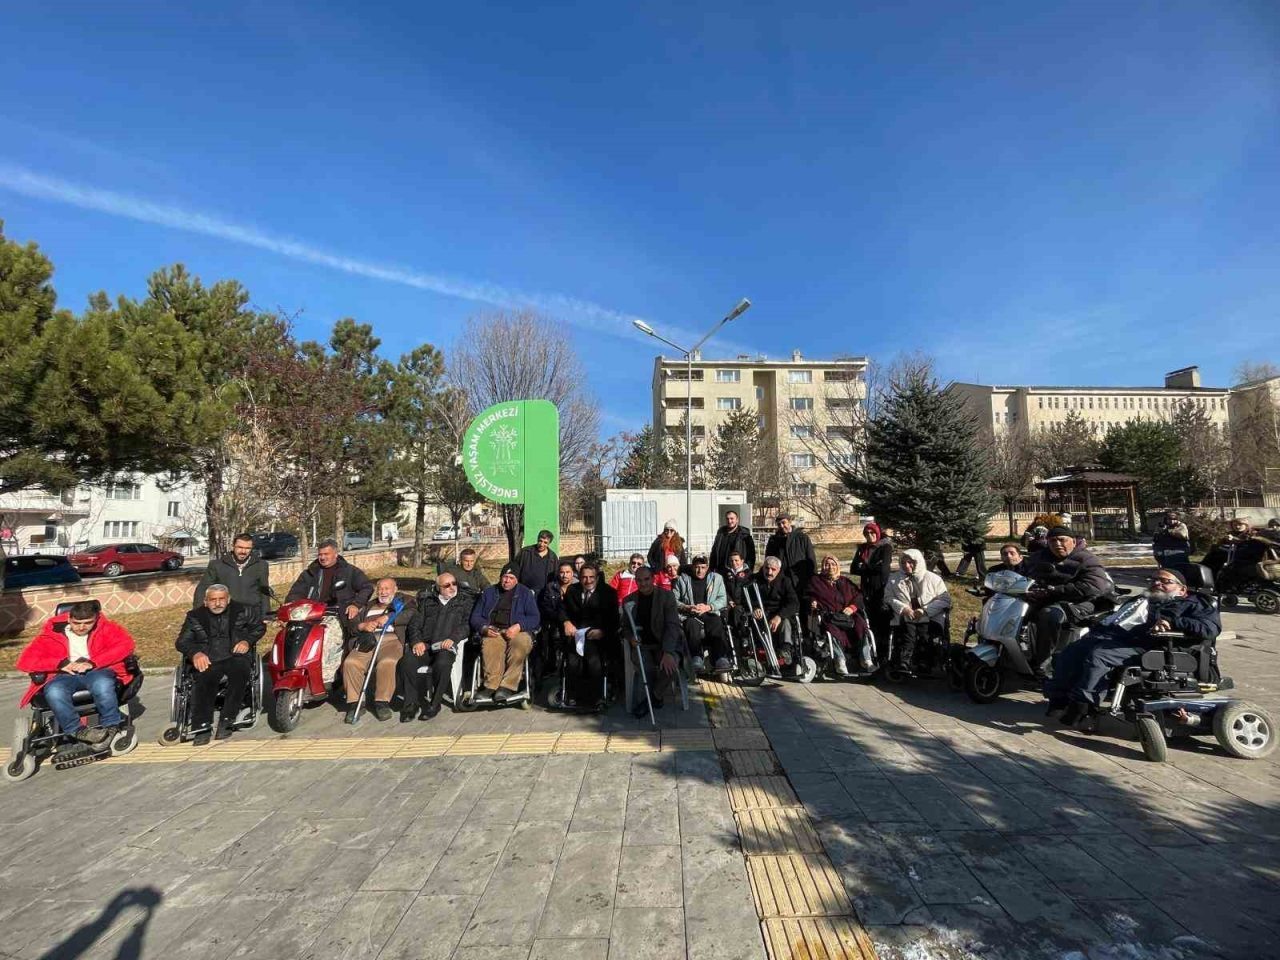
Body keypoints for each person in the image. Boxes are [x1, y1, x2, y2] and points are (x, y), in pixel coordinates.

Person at [1045, 568, 1220, 725]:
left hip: (1154, 646)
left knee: (1100, 655)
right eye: (1154, 580)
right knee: (1069, 652)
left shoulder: (1195, 603)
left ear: (1182, 589)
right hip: (1117, 638)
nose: (1157, 583)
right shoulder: (1142, 599)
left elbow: (1210, 629)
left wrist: (1173, 621)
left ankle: (1083, 706)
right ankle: (1060, 700)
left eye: (1165, 581)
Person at [17, 601, 136, 746]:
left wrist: (93, 662)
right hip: (64, 675)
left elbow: (125, 646)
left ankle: (111, 725)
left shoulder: (107, 628)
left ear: (96, 618)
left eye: (87, 623)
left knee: (102, 684)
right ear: (68, 619)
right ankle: (77, 730)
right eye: (76, 623)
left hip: (97, 670)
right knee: (54, 691)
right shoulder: (51, 635)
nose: (81, 627)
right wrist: (60, 664)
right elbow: (25, 661)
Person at [175, 584, 265, 743]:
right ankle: (202, 725)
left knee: (240, 672)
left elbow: (259, 627)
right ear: (205, 601)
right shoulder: (195, 616)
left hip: (234, 655)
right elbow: (182, 642)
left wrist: (247, 641)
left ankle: (227, 719)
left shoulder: (243, 610)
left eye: (221, 599)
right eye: (213, 600)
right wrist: (195, 653)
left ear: (228, 599)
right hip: (208, 657)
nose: (217, 603)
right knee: (204, 677)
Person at [1021, 526, 1112, 673]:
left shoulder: (1087, 559)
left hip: (1083, 601)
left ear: (1074, 542)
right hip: (1047, 598)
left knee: (1049, 615)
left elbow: (1093, 586)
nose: (1057, 544)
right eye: (1052, 541)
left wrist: (1055, 590)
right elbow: (1023, 573)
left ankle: (1045, 661)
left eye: (1062, 540)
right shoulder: (1039, 557)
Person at [401, 571, 473, 721]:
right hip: (426, 646)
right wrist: (416, 642)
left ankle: (435, 704)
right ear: (438, 588)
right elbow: (414, 625)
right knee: (407, 662)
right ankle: (410, 704)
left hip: (446, 646)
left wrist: (453, 638)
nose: (452, 587)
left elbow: (467, 625)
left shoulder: (464, 602)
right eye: (447, 585)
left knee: (443, 664)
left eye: (454, 584)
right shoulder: (428, 603)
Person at [341, 578, 412, 723]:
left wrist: (389, 617)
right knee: (351, 662)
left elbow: (411, 613)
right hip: (368, 640)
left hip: (391, 640)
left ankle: (382, 702)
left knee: (387, 662)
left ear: (395, 589)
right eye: (380, 588)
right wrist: (363, 626)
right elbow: (353, 623)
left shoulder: (405, 600)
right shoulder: (369, 605)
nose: (383, 592)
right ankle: (356, 703)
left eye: (387, 588)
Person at [470, 564, 540, 702]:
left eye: (511, 577)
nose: (507, 580)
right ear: (500, 577)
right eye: (505, 577)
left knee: (519, 644)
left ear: (517, 580)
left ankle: (508, 686)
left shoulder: (525, 593)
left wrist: (519, 626)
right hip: (494, 630)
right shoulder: (489, 592)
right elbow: (475, 617)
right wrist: (484, 628)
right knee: (490, 644)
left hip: (518, 631)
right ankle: (491, 685)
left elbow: (535, 617)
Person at [621, 566, 682, 717]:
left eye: (647, 579)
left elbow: (672, 625)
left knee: (670, 667)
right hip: (642, 646)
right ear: (635, 581)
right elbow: (624, 628)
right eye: (639, 580)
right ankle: (656, 697)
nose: (643, 583)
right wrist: (631, 638)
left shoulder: (666, 597)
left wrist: (668, 652)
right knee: (646, 667)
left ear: (653, 579)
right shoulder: (629, 600)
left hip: (663, 644)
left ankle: (653, 697)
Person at [286, 539, 373, 635]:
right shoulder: (310, 573)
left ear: (335, 554)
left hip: (339, 614)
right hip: (311, 614)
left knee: (327, 640)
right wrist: (289, 608)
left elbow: (367, 587)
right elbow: (296, 593)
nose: (322, 557)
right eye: (320, 554)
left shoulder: (349, 571)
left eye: (326, 554)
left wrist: (356, 604)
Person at [561, 563, 619, 708]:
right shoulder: (572, 590)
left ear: (598, 578)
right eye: (584, 577)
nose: (588, 581)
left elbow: (615, 620)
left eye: (591, 577)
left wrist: (603, 631)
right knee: (572, 661)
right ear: (579, 578)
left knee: (594, 660)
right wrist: (566, 622)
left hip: (598, 637)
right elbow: (562, 610)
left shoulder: (608, 593)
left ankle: (596, 696)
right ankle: (573, 696)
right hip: (576, 635)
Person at [886, 549, 951, 675]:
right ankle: (904, 661)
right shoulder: (894, 579)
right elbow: (888, 597)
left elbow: (945, 600)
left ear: (918, 562)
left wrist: (924, 610)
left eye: (910, 562)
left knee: (924, 632)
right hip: (906, 615)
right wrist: (903, 608)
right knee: (908, 632)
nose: (906, 566)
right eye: (903, 563)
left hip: (929, 615)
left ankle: (924, 662)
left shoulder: (933, 579)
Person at [808, 555, 868, 674]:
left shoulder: (845, 581)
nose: (830, 567)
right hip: (829, 616)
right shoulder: (816, 581)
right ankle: (840, 659)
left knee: (861, 624)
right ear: (823, 567)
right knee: (830, 628)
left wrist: (852, 607)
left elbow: (859, 596)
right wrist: (812, 601)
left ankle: (865, 657)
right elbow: (808, 594)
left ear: (837, 566)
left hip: (848, 615)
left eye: (833, 564)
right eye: (827, 564)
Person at [672, 555, 730, 675]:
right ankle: (696, 658)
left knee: (716, 622)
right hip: (690, 614)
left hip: (709, 612)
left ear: (707, 567)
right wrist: (687, 607)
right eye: (697, 567)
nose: (700, 570)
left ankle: (720, 658)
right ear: (692, 567)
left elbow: (722, 599)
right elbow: (674, 600)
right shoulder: (682, 580)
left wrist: (709, 607)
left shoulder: (716, 579)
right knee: (691, 624)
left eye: (703, 567)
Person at [193, 532, 271, 616]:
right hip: (227, 615)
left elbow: (264, 592)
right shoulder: (217, 565)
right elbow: (202, 589)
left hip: (253, 614)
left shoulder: (261, 565)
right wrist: (198, 613)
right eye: (240, 547)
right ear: (233, 546)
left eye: (247, 548)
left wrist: (266, 614)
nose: (243, 551)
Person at [849, 522, 894, 667]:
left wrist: (865, 566)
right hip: (865, 590)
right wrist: (869, 567)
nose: (870, 536)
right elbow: (853, 569)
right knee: (868, 622)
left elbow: (883, 569)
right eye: (867, 533)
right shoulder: (862, 548)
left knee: (881, 623)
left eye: (872, 533)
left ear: (878, 533)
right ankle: (867, 653)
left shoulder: (885, 547)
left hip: (880, 590)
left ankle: (883, 655)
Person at [751, 557, 800, 652]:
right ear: (763, 567)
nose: (769, 572)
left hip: (780, 614)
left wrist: (779, 616)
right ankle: (758, 651)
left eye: (773, 569)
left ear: (778, 570)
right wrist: (755, 608)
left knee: (785, 623)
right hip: (762, 613)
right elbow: (747, 598)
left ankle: (786, 651)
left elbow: (794, 603)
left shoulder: (785, 581)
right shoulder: (754, 580)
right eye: (767, 568)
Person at [765, 514, 817, 599]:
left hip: (800, 579)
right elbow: (768, 560)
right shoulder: (773, 540)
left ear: (790, 522)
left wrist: (814, 580)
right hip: (782, 580)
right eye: (779, 524)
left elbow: (811, 559)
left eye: (783, 523)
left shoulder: (802, 538)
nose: (781, 526)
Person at [710, 510, 756, 574]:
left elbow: (751, 555)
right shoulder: (721, 533)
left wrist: (748, 571)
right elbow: (714, 552)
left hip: (737, 572)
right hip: (721, 571)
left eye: (732, 518)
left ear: (737, 520)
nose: (729, 521)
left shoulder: (744, 534)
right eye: (727, 519)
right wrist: (711, 569)